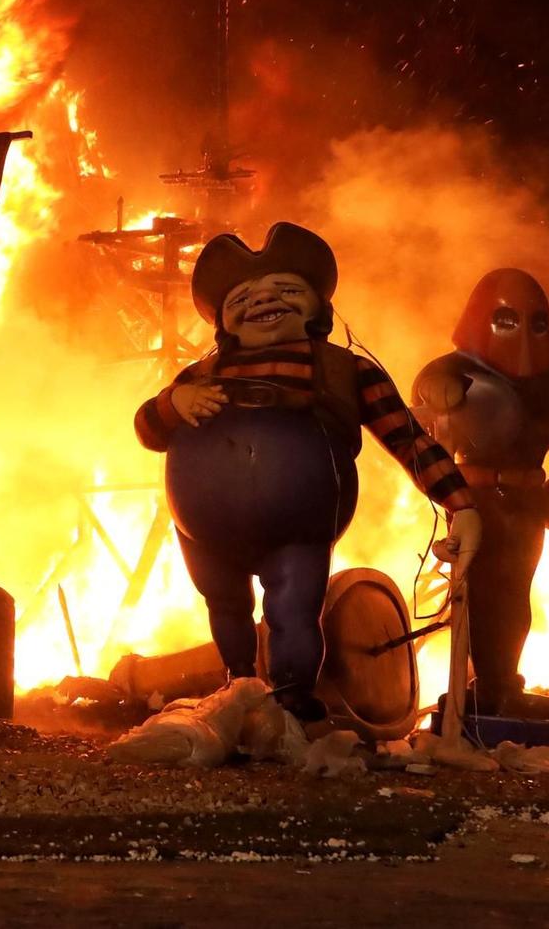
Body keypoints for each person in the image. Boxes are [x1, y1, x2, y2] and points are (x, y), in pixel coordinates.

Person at [135, 222, 475, 724]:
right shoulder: (200, 375)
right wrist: (171, 402)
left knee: (295, 608)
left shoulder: (343, 371)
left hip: (300, 523)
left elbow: (409, 440)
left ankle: (293, 697)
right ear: (224, 323)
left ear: (319, 307)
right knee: (224, 604)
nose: (263, 300)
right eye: (242, 297)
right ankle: (240, 687)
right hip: (203, 527)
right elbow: (148, 429)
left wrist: (461, 504)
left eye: (286, 289)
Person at [410, 269, 549, 719]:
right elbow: (422, 430)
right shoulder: (454, 371)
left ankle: (499, 689)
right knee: (478, 594)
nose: (522, 336)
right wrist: (438, 395)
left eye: (536, 322)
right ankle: (482, 689)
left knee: (512, 595)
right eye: (506, 321)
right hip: (471, 502)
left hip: (528, 505)